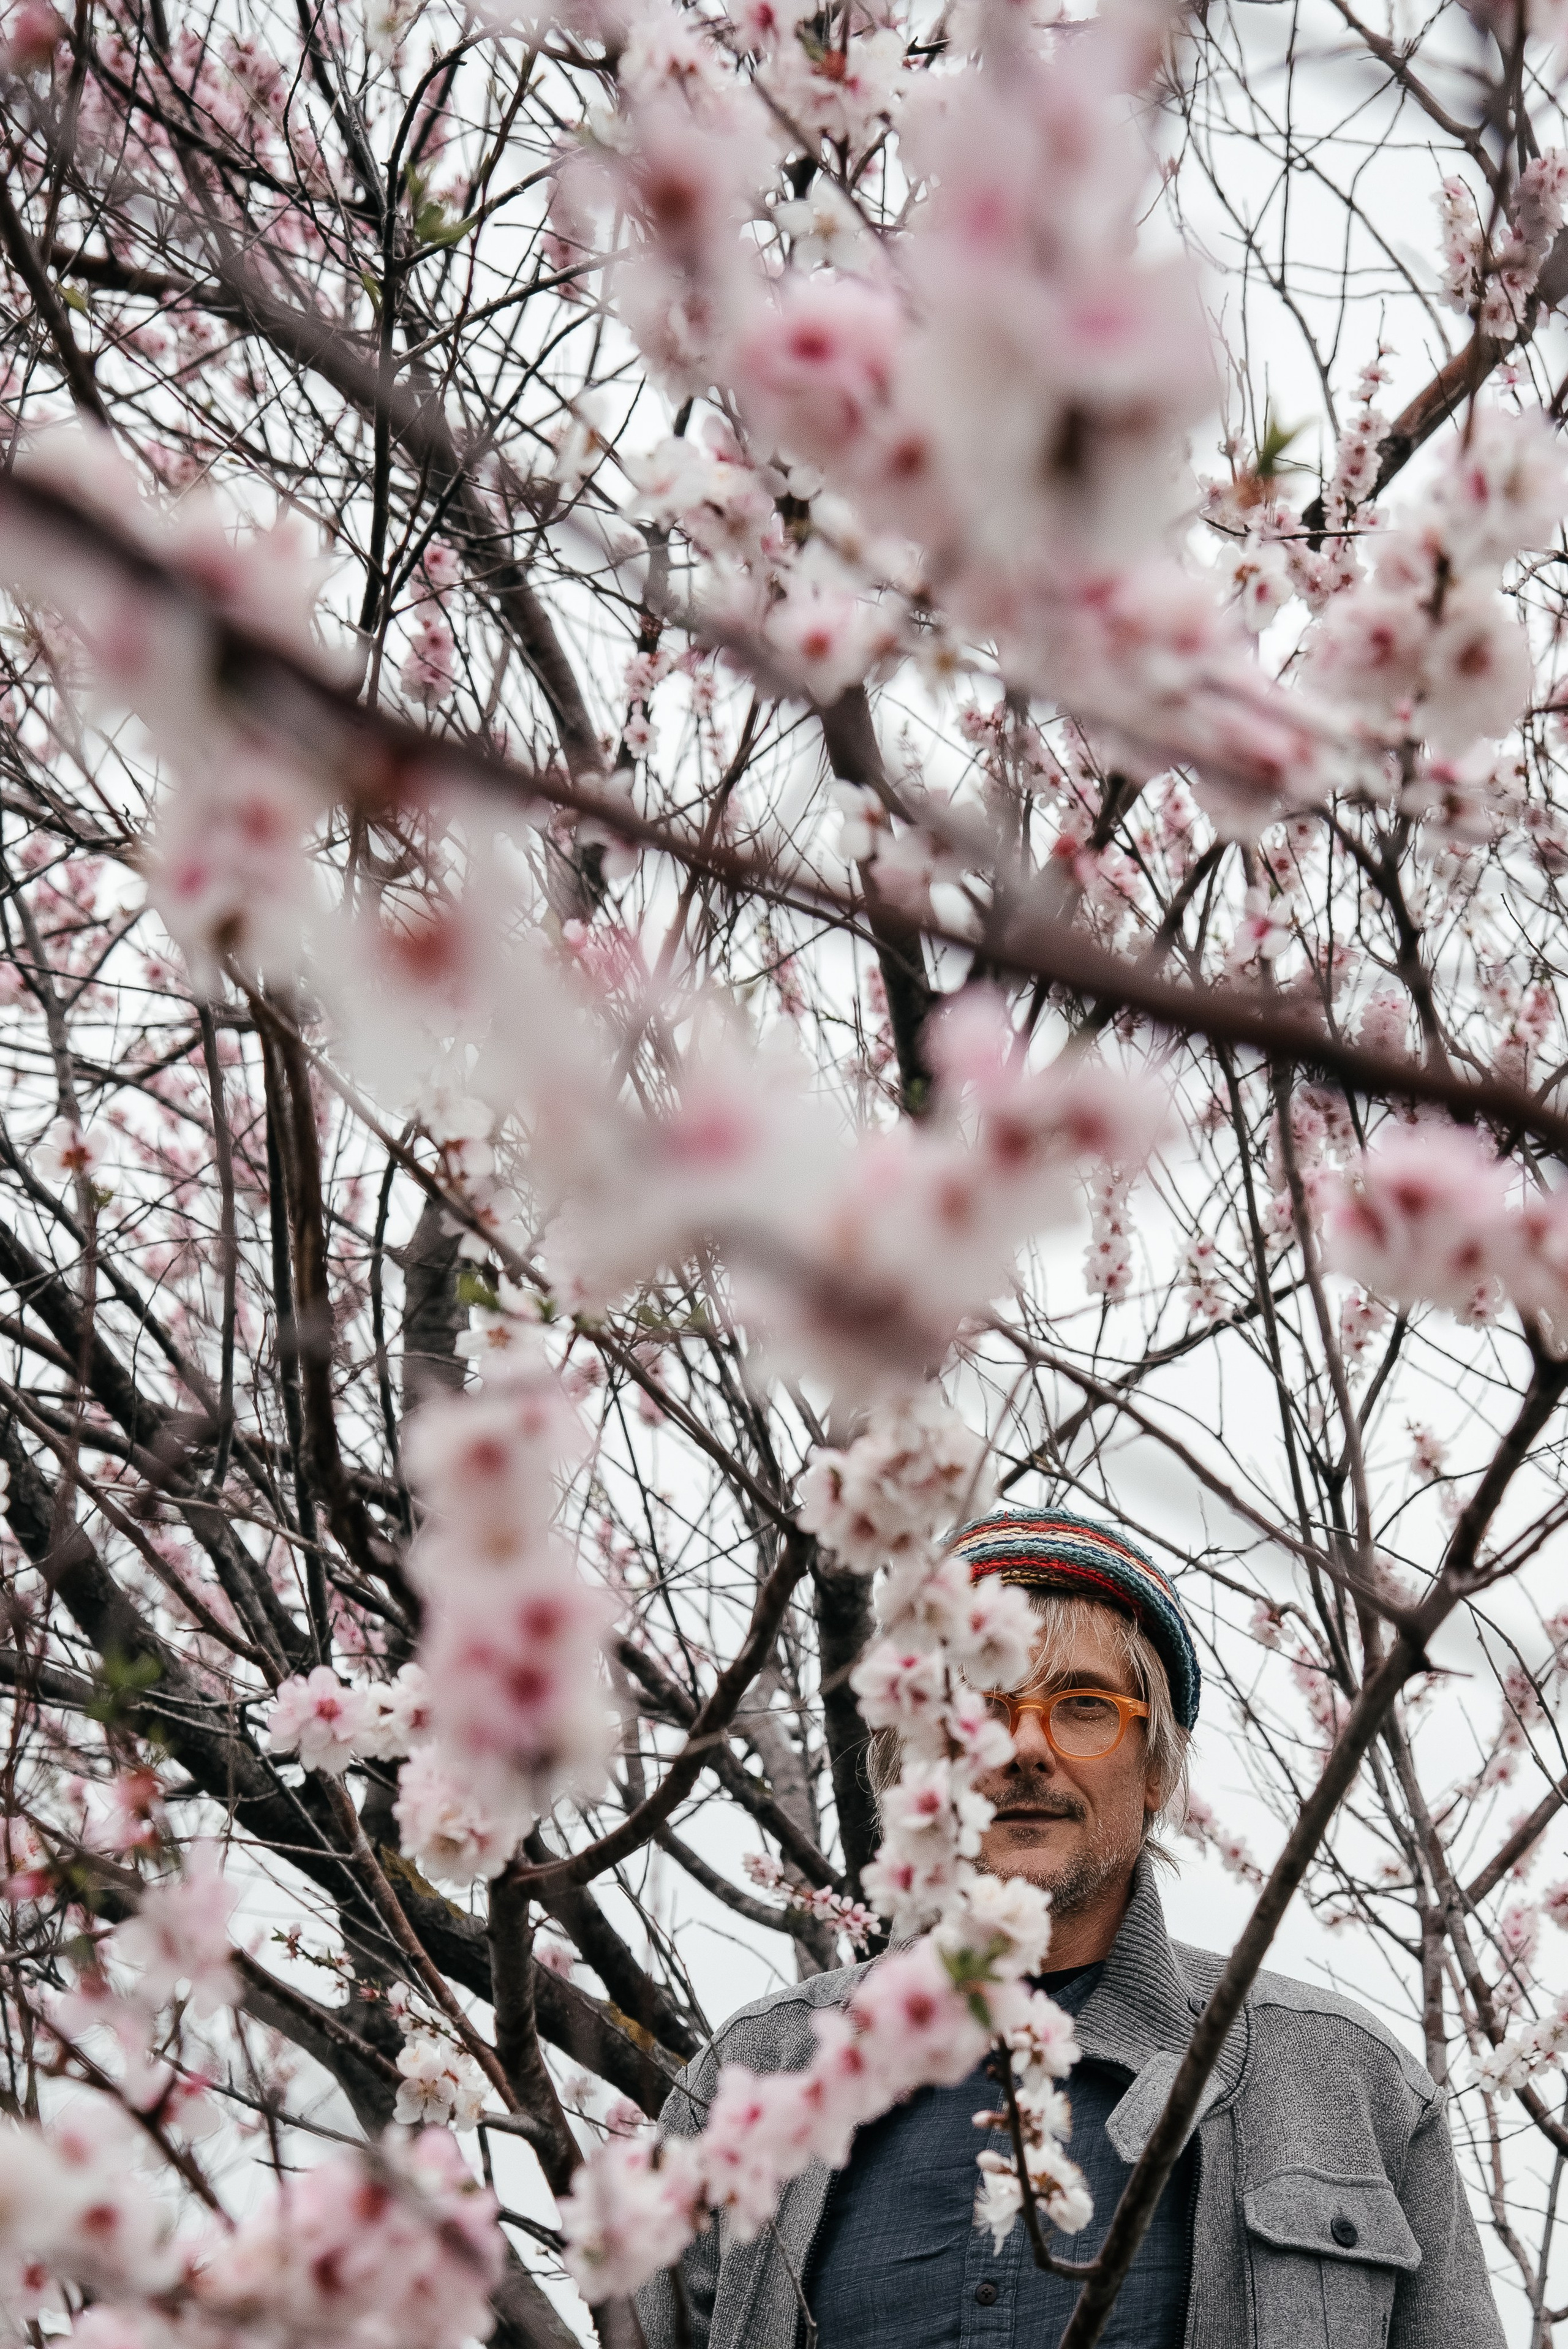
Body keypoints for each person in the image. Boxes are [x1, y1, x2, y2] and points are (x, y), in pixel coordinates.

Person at [634, 1507, 1503, 2349]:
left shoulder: (1348, 2086)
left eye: (1084, 1705)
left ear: (1156, 1768)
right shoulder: (751, 2079)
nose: (1026, 1747)